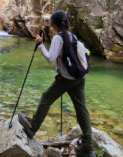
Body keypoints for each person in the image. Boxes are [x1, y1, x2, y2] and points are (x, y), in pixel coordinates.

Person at [18, 10, 96, 157]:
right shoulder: (72, 36)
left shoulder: (58, 38)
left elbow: (50, 57)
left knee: (46, 98)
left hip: (66, 79)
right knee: (81, 108)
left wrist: (41, 44)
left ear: (53, 24)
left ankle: (32, 126)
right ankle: (88, 145)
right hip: (79, 77)